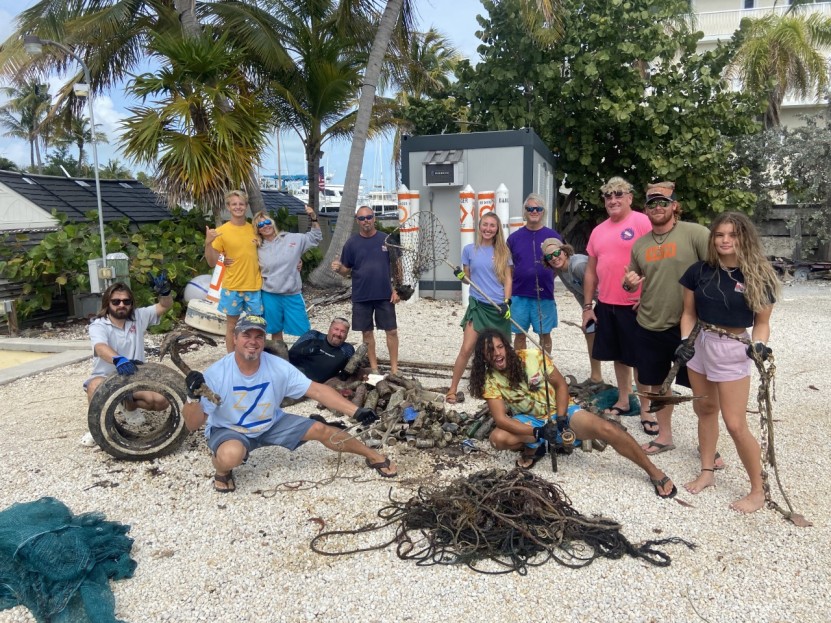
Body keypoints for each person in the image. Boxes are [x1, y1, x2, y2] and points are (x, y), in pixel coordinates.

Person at [182, 314, 397, 493]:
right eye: (246, 335)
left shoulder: (277, 366)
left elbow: (317, 390)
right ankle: (222, 471)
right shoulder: (216, 373)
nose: (253, 341)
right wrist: (193, 398)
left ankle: (372, 455)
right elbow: (193, 424)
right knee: (231, 455)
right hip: (231, 429)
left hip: (271, 423)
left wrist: (356, 411)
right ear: (235, 338)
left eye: (258, 336)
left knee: (322, 428)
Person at [468, 328, 676, 498]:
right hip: (531, 420)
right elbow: (501, 419)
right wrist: (539, 432)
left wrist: (560, 418)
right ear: (484, 357)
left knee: (607, 428)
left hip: (563, 410)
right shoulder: (489, 380)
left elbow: (560, 386)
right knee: (498, 438)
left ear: (506, 347)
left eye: (499, 347)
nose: (497, 353)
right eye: (490, 350)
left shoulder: (533, 357)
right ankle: (536, 445)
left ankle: (653, 471)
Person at [677, 212, 779, 513]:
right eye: (719, 234)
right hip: (700, 343)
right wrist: (684, 342)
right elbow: (688, 314)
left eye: (732, 235)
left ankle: (759, 490)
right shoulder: (699, 271)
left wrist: (759, 346)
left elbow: (762, 322)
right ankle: (707, 471)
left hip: (733, 347)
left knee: (735, 423)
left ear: (743, 238)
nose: (724, 240)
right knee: (705, 409)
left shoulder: (758, 275)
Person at [623, 182, 710, 446]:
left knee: (702, 390)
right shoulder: (639, 245)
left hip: (690, 326)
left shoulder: (695, 234)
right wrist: (629, 285)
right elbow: (633, 280)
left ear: (674, 206)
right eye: (652, 203)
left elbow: (714, 272)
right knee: (657, 387)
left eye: (663, 202)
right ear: (645, 209)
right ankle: (665, 437)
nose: (657, 207)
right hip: (649, 323)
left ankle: (708, 445)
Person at [582, 177, 651, 419]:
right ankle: (623, 400)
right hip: (607, 304)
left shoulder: (643, 222)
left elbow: (658, 262)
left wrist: (650, 297)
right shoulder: (598, 231)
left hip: (636, 306)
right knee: (619, 357)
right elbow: (591, 271)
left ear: (630, 197)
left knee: (641, 360)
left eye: (618, 194)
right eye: (608, 196)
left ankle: (646, 410)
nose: (613, 199)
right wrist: (588, 307)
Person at [82, 276, 173, 446]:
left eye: (126, 301)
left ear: (131, 303)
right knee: (95, 387)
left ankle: (129, 407)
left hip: (135, 375)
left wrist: (165, 292)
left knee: (161, 401)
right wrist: (118, 359)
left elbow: (165, 305)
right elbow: (101, 347)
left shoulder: (139, 316)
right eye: (116, 301)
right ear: (107, 303)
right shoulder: (99, 325)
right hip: (107, 377)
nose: (121, 305)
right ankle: (95, 428)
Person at [445, 211, 513, 404]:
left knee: (502, 352)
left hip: (498, 308)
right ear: (479, 226)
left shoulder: (503, 251)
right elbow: (468, 279)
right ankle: (452, 389)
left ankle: (507, 389)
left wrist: (507, 302)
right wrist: (461, 277)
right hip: (478, 307)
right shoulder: (469, 250)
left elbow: (508, 279)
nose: (488, 229)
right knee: (466, 349)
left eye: (492, 225)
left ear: (497, 229)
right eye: (485, 224)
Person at [331, 206, 399, 375]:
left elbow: (397, 266)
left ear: (374, 218)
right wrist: (338, 268)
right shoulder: (352, 243)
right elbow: (346, 270)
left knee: (391, 331)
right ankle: (374, 368)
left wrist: (398, 290)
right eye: (361, 218)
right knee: (367, 332)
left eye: (368, 217)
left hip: (385, 294)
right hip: (361, 295)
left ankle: (394, 369)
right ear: (357, 221)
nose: (366, 221)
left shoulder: (386, 240)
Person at [204, 190, 263, 352]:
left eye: (241, 204)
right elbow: (211, 262)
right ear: (228, 207)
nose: (238, 207)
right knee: (231, 327)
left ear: (246, 206)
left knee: (256, 328)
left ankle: (254, 356)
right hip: (232, 287)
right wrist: (208, 243)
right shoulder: (222, 231)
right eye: (234, 204)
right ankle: (232, 360)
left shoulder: (254, 229)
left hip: (254, 286)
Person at [255, 205, 322, 343]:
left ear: (272, 223)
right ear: (257, 230)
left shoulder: (292, 238)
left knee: (304, 332)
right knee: (275, 331)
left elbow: (315, 237)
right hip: (270, 295)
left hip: (292, 294)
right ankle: (279, 360)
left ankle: (302, 361)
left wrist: (313, 217)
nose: (265, 226)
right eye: (260, 224)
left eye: (267, 222)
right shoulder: (256, 247)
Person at [541, 237, 603, 385]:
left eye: (556, 253)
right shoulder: (560, 269)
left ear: (565, 251)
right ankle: (596, 377)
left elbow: (601, 287)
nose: (554, 258)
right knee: (589, 330)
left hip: (608, 298)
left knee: (612, 337)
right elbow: (578, 292)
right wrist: (586, 312)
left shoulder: (578, 266)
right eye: (549, 257)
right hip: (596, 302)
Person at [506, 193, 563, 354]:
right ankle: (521, 366)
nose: (534, 211)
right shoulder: (514, 238)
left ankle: (545, 365)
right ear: (525, 211)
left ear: (543, 211)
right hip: (519, 295)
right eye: (530, 208)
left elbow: (562, 262)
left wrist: (550, 276)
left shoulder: (553, 236)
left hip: (544, 295)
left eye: (538, 208)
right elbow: (507, 268)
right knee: (520, 334)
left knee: (545, 334)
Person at [288, 316, 358, 383]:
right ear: (329, 329)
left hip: (318, 387)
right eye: (336, 329)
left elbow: (348, 374)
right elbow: (288, 355)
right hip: (293, 376)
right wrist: (305, 351)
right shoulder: (313, 336)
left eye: (343, 331)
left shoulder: (347, 350)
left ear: (346, 335)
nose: (338, 334)